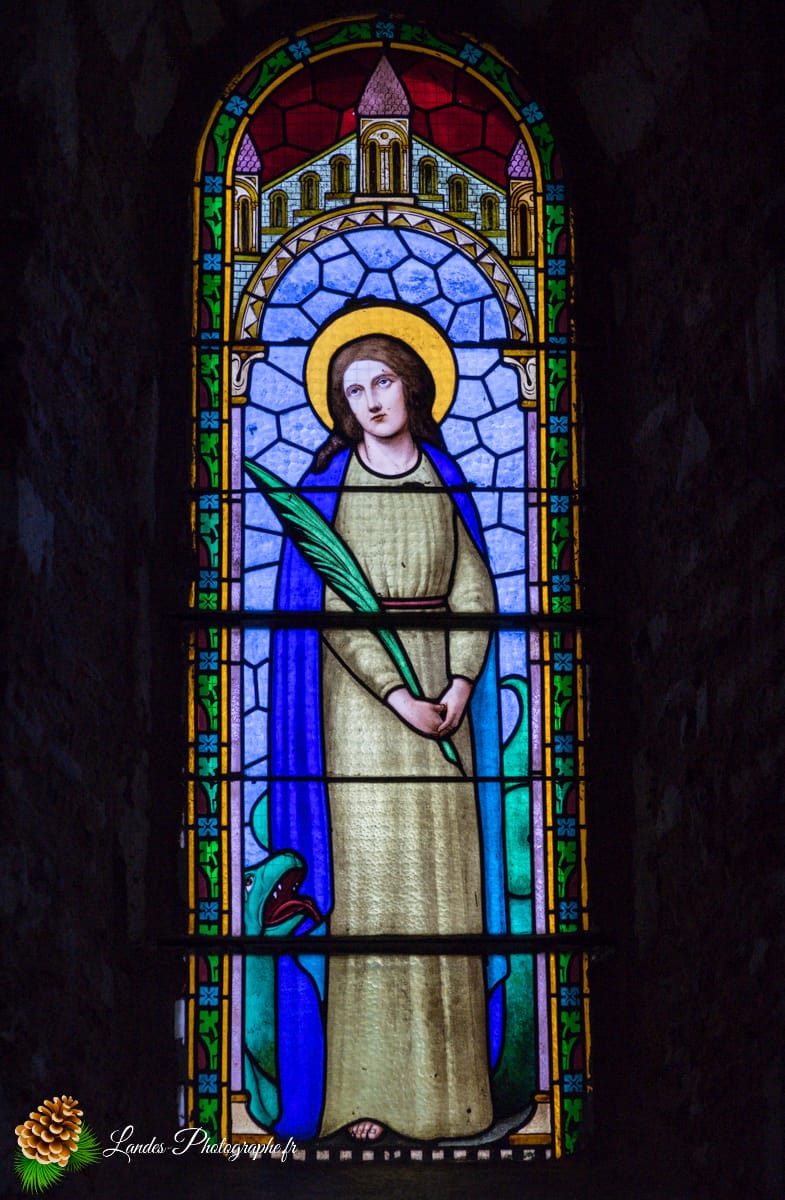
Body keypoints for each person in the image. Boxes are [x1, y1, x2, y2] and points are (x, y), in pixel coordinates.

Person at [267, 312, 506, 1142]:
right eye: (350, 389)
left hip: (448, 701)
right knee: (371, 897)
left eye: (379, 381)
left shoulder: (444, 477)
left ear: (411, 384)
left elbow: (474, 592)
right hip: (362, 715)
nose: (368, 400)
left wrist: (460, 684)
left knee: (446, 893)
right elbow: (332, 609)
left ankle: (454, 1103)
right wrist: (397, 697)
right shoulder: (333, 485)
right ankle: (364, 1103)